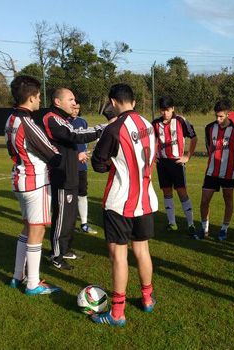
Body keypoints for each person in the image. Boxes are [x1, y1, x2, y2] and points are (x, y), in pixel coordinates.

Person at [90, 83, 158, 326]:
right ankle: (147, 299)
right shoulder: (149, 125)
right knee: (142, 250)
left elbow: (97, 164)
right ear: (134, 102)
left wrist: (112, 164)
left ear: (113, 102)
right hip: (146, 199)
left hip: (120, 201)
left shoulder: (114, 128)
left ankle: (117, 313)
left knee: (119, 256)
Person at [6, 75, 63, 295]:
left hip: (19, 179)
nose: (40, 100)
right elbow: (53, 155)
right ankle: (33, 283)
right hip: (35, 182)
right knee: (37, 231)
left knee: (27, 227)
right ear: (31, 98)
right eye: (38, 96)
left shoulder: (10, 119)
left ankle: (17, 276)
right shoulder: (27, 122)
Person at [44, 88, 108, 270]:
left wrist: (76, 156)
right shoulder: (52, 118)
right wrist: (103, 127)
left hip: (71, 174)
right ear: (57, 101)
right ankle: (56, 255)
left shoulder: (63, 119)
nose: (74, 103)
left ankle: (66, 249)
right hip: (61, 176)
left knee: (71, 217)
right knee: (62, 217)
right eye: (70, 99)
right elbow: (75, 135)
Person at [196, 99, 234, 241]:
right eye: (216, 116)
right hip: (212, 171)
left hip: (228, 172)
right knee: (205, 200)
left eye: (221, 116)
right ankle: (204, 229)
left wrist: (232, 167)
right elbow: (209, 147)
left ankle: (224, 230)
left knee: (228, 199)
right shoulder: (209, 128)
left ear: (228, 114)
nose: (218, 119)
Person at [151, 96, 198, 235]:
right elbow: (152, 140)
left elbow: (194, 137)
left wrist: (187, 157)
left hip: (177, 162)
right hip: (162, 163)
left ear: (173, 109)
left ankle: (191, 224)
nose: (165, 113)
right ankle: (172, 224)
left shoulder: (180, 121)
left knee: (182, 192)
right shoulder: (155, 123)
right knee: (166, 192)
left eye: (167, 110)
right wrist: (154, 155)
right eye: (162, 110)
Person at [68, 102, 98, 234]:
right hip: (68, 165)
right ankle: (68, 224)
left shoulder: (83, 122)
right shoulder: (63, 122)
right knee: (69, 195)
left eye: (78, 109)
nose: (75, 111)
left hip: (82, 165)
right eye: (74, 108)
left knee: (82, 194)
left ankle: (84, 224)